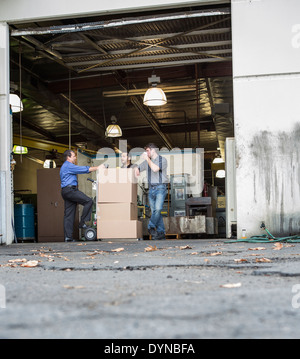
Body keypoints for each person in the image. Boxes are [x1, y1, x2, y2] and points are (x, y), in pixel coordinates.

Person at [60, 149, 104, 242]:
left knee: (69, 215)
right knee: (89, 201)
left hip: (65, 191)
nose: (75, 157)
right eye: (73, 156)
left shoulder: (64, 167)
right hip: (70, 190)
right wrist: (98, 167)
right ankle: (82, 223)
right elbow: (82, 169)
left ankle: (68, 237)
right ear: (68, 157)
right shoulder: (68, 166)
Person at [135, 143, 168, 240]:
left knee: (157, 209)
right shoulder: (146, 162)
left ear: (153, 150)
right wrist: (136, 169)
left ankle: (150, 226)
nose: (146, 153)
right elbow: (138, 168)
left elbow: (155, 168)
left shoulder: (162, 160)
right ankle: (161, 232)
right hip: (151, 189)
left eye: (148, 150)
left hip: (160, 188)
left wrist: (147, 159)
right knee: (155, 212)